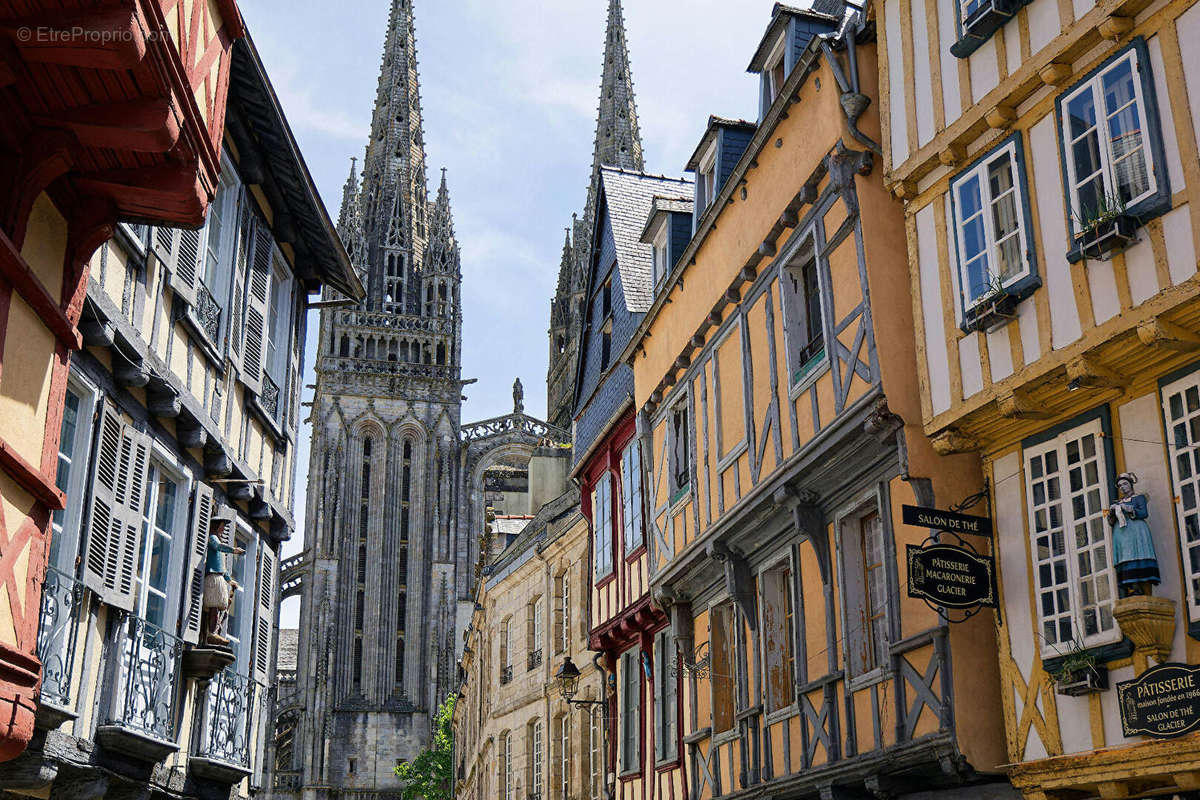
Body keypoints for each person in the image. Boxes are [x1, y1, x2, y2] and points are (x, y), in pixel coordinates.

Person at [1107, 472, 1160, 598]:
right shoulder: (1118, 502)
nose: (1123, 487)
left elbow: (1143, 513)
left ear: (1130, 484)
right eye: (1120, 486)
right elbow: (1111, 521)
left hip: (1136, 533)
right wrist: (1112, 514)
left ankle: (1142, 588)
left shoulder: (1139, 498)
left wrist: (1129, 509)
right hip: (1122, 535)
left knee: (1137, 555)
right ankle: (1133, 587)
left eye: (1125, 484)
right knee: (1126, 558)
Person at [203, 510, 245, 646]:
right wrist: (233, 550)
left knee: (221, 605)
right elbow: (218, 547)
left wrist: (229, 580)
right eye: (222, 526)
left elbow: (223, 567)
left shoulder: (219, 544)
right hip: (213, 576)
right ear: (216, 527)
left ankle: (214, 631)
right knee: (215, 604)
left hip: (219, 576)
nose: (223, 529)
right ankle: (212, 633)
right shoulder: (213, 538)